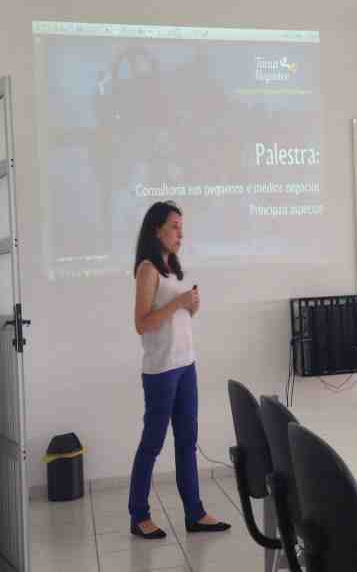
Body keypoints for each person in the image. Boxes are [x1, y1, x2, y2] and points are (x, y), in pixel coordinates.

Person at [128, 200, 230, 539]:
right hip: (162, 370)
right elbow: (142, 324)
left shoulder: (171, 267)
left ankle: (194, 513)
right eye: (174, 227)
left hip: (186, 364)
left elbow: (174, 317)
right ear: (156, 229)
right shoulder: (148, 269)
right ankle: (139, 515)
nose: (180, 234)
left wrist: (191, 307)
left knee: (187, 441)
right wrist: (179, 303)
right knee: (152, 443)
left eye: (181, 227)